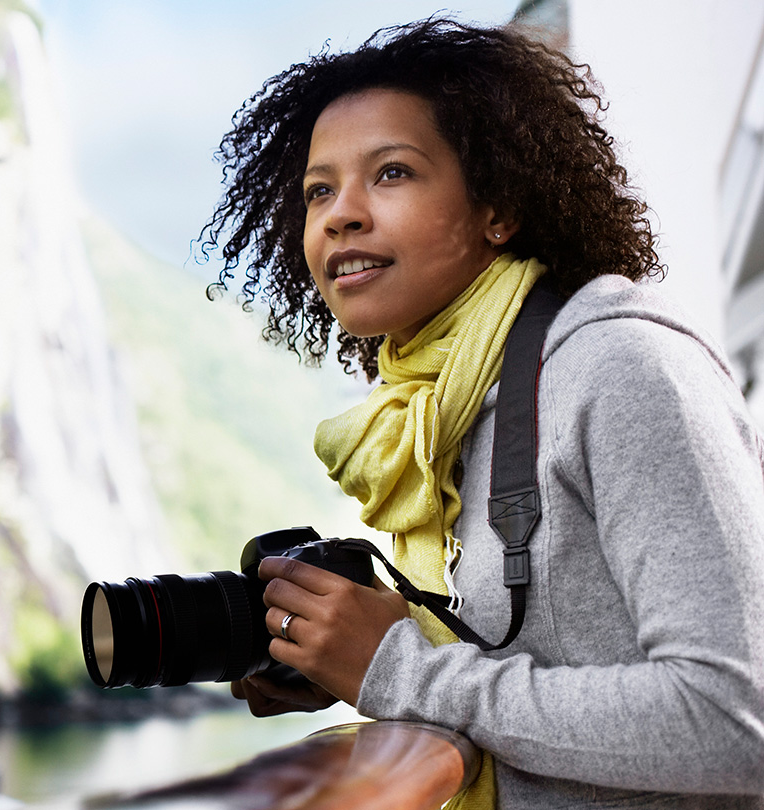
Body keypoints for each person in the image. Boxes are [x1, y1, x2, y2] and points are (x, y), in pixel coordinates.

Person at [197, 18, 764, 810]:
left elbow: (737, 721)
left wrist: (396, 668)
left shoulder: (622, 369)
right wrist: (341, 666)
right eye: (318, 190)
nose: (339, 214)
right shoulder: (439, 415)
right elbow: (524, 664)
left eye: (391, 173)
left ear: (497, 208)